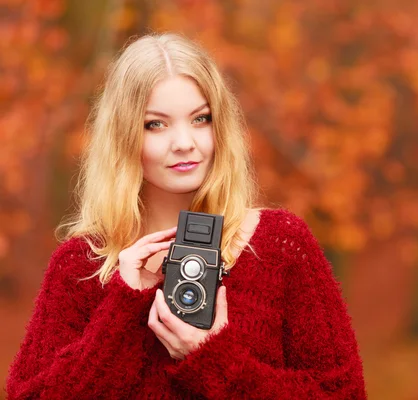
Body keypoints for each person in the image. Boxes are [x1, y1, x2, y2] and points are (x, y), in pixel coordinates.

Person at [5, 32, 366, 399]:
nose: (183, 142)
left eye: (200, 119)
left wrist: (215, 361)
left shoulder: (281, 245)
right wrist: (122, 307)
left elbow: (344, 394)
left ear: (220, 126)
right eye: (155, 124)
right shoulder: (81, 265)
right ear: (124, 135)